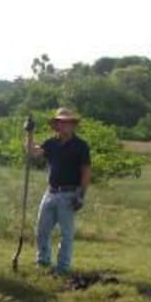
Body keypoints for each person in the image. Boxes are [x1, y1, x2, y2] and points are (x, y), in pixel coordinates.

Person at [26, 108, 92, 275]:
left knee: (66, 234)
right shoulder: (51, 143)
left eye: (67, 122)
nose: (63, 125)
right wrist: (30, 133)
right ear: (56, 125)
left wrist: (81, 195)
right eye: (60, 122)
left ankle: (62, 268)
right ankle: (43, 261)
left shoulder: (81, 146)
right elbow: (33, 153)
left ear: (73, 125)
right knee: (41, 230)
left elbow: (86, 172)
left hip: (70, 193)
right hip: (51, 192)